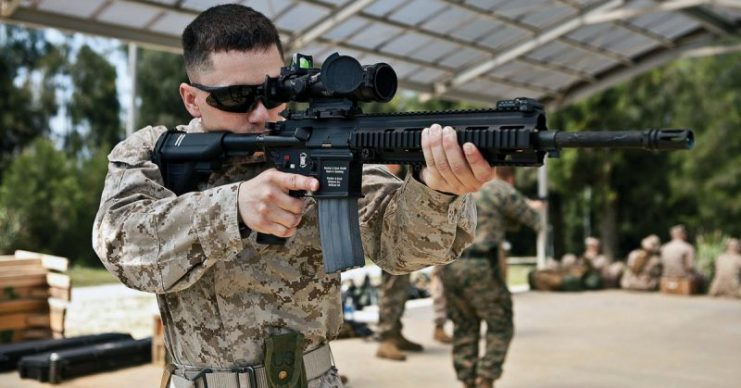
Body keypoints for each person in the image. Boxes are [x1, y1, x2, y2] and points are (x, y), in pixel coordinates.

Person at [92, 5, 491, 388]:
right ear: (191, 98)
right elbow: (121, 245)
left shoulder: (322, 143)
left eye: (273, 94)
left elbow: (401, 248)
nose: (261, 114)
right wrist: (232, 208)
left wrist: (436, 190)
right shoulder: (152, 152)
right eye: (236, 99)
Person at [440, 166, 542, 388]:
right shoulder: (499, 189)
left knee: (464, 324)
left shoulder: (457, 183)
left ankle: (467, 380)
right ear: (509, 174)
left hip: (448, 264)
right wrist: (535, 208)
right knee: (501, 323)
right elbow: (534, 220)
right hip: (480, 266)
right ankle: (486, 378)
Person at [661, 225, 704, 292]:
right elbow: (690, 267)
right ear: (682, 234)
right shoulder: (688, 248)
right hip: (682, 276)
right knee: (702, 276)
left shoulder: (664, 247)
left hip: (666, 275)